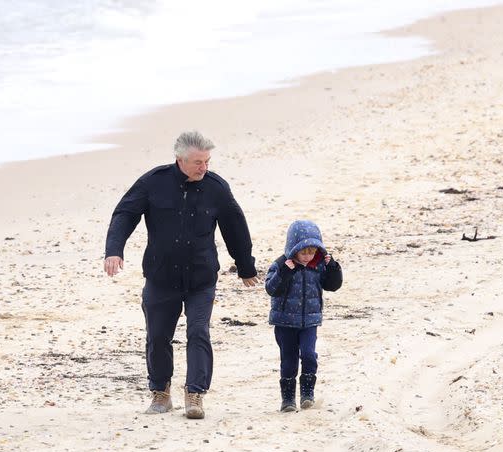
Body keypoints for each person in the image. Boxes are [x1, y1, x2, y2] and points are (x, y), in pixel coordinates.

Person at [104, 131, 258, 419]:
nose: (204, 168)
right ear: (180, 160)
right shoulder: (153, 182)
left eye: (207, 161)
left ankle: (195, 394)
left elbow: (236, 226)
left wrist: (245, 266)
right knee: (157, 336)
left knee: (198, 332)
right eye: (198, 162)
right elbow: (125, 213)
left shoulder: (216, 188)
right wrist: (114, 250)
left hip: (201, 279)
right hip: (161, 277)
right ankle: (160, 393)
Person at [264, 220, 343, 412]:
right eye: (304, 252)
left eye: (312, 251)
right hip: (284, 323)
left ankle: (307, 393)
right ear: (294, 248)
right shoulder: (281, 264)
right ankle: (288, 399)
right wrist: (285, 271)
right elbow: (271, 289)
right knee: (289, 360)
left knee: (309, 355)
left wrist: (332, 266)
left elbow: (333, 285)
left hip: (310, 321)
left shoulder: (319, 266)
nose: (308, 256)